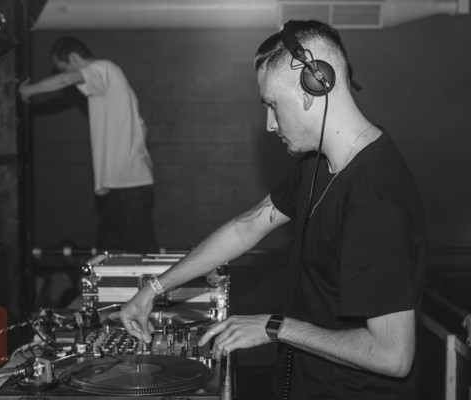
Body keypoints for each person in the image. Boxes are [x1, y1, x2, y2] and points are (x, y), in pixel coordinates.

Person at [119, 20, 426, 399]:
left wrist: (275, 327)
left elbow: (394, 355)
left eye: (271, 105)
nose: (268, 124)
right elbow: (246, 227)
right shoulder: (318, 165)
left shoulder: (375, 199)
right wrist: (153, 289)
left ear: (312, 88)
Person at [19, 36, 159, 254]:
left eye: (63, 66)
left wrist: (27, 91)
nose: (62, 73)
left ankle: (163, 280)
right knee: (107, 252)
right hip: (120, 187)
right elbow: (142, 127)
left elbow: (66, 79)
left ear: (74, 57)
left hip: (129, 186)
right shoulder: (109, 87)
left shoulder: (104, 68)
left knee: (143, 253)